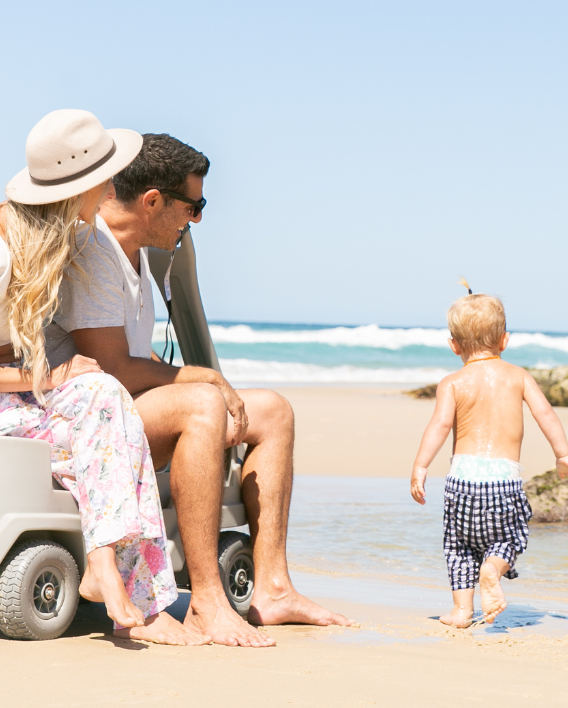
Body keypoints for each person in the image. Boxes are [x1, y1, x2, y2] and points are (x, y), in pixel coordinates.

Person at [45, 133, 351, 648]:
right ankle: (207, 600)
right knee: (204, 402)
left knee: (273, 411)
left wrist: (191, 376)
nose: (198, 219)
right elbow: (114, 368)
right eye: (195, 205)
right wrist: (202, 376)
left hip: (128, 408)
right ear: (152, 201)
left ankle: (272, 587)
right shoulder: (94, 251)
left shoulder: (137, 252)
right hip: (86, 421)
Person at [0, 110, 208, 646]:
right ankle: (123, 583)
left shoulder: (59, 236)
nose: (110, 193)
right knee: (104, 404)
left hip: (10, 385)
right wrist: (48, 374)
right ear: (85, 187)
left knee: (108, 406)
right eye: (105, 182)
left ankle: (108, 569)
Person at [409, 284, 568, 628]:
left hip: (461, 479)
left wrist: (421, 465)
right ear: (504, 340)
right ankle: (492, 570)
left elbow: (440, 425)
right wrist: (563, 455)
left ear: (454, 345)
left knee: (458, 545)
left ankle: (461, 611)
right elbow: (545, 414)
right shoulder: (518, 376)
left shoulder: (452, 382)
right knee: (511, 535)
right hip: (502, 479)